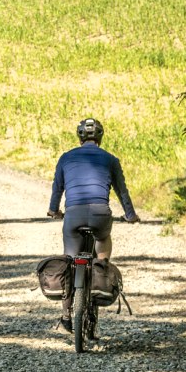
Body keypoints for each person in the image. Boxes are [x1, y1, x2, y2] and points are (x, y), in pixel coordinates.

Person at [46, 118, 138, 331]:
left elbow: (57, 189)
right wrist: (130, 215)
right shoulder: (110, 159)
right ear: (100, 137)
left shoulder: (66, 158)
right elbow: (121, 191)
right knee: (103, 239)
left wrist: (53, 210)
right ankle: (101, 270)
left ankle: (66, 315)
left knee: (70, 260)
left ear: (79, 137)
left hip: (73, 215)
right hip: (100, 214)